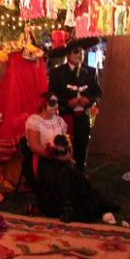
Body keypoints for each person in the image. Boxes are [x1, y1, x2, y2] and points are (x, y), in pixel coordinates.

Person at [25, 92, 117, 223]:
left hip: (59, 158)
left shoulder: (59, 121)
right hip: (41, 160)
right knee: (62, 176)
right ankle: (65, 207)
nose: (55, 105)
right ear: (43, 104)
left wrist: (68, 155)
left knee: (76, 175)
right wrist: (54, 156)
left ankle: (80, 205)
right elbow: (35, 146)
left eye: (56, 102)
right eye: (52, 102)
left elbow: (65, 142)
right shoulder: (35, 121)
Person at [48, 38, 101, 170]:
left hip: (83, 116)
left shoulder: (91, 72)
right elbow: (51, 95)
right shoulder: (57, 73)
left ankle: (80, 172)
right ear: (68, 54)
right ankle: (65, 172)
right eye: (76, 52)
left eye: (82, 52)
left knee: (82, 144)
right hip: (64, 116)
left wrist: (89, 100)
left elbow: (98, 93)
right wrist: (66, 102)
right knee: (64, 144)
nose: (80, 55)